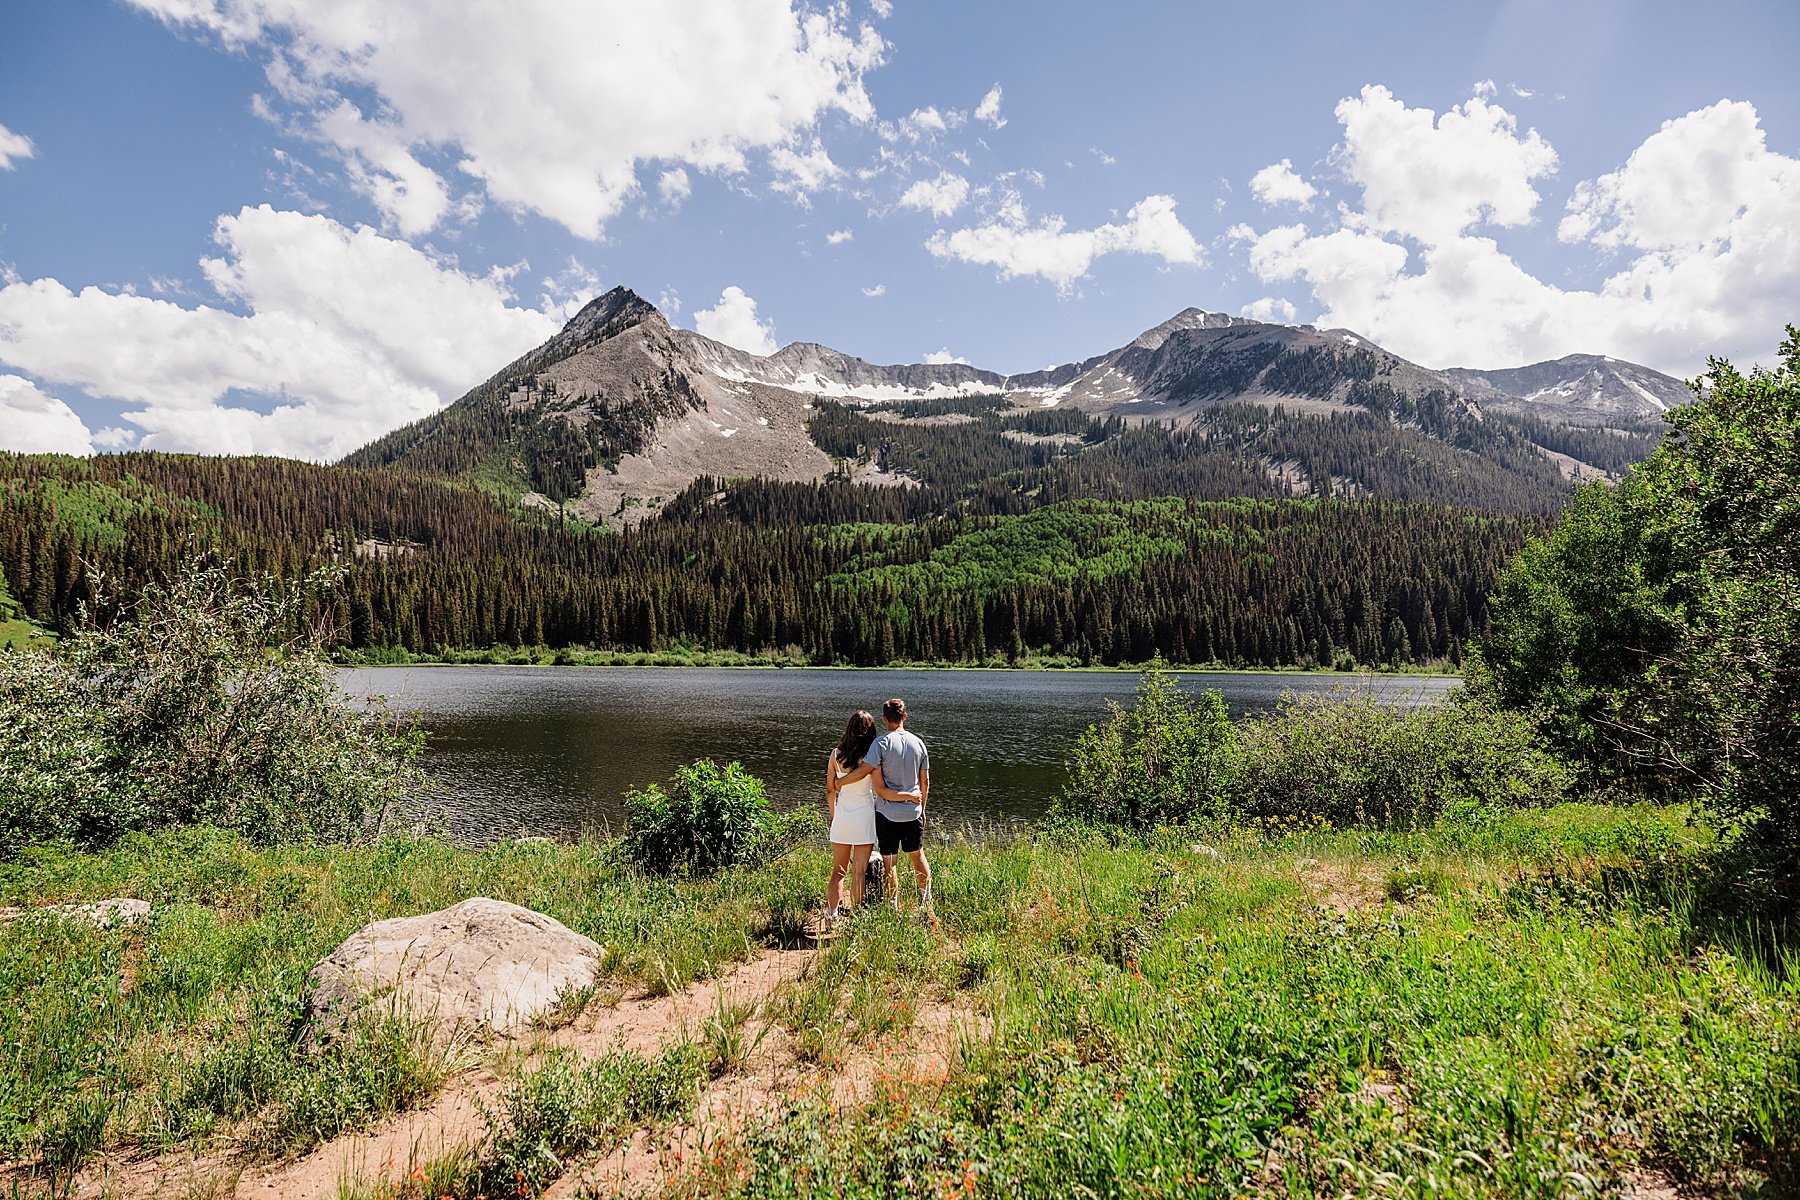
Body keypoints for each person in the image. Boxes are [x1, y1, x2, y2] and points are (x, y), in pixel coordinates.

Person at [842, 698, 931, 915]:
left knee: (889, 861)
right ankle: (926, 899)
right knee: (917, 855)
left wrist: (839, 783)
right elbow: (925, 781)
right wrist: (922, 808)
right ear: (904, 717)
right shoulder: (918, 743)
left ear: (884, 719)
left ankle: (893, 904)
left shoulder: (880, 744)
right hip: (912, 813)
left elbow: (872, 781)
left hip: (887, 813)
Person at [822, 709, 879, 926]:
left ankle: (832, 913)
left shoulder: (835, 755)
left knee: (838, 870)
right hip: (864, 816)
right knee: (859, 872)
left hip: (842, 816)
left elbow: (830, 790)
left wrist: (833, 816)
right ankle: (857, 916)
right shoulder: (872, 757)